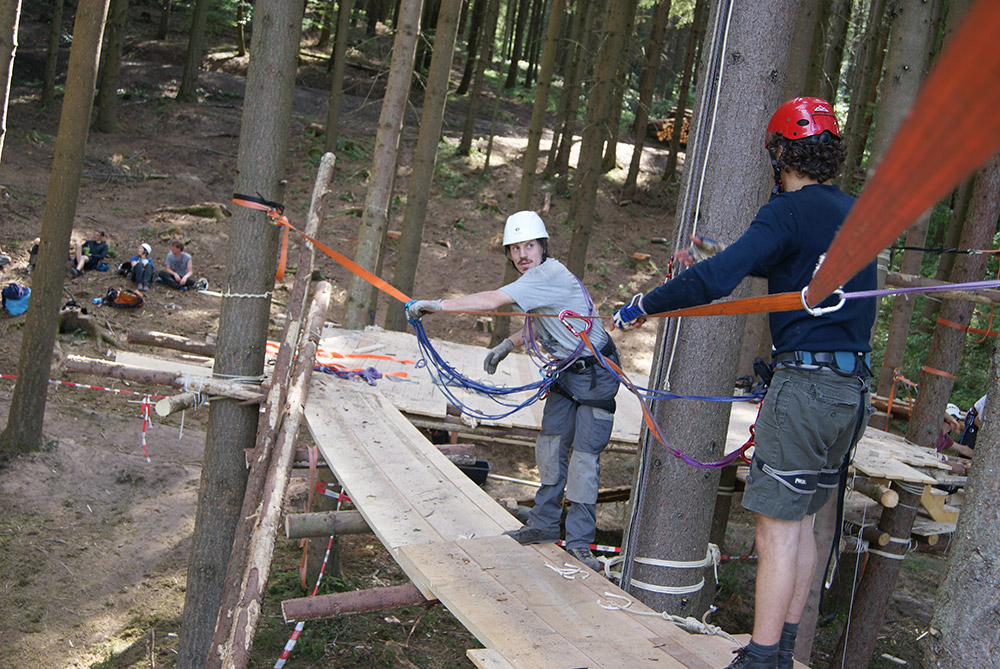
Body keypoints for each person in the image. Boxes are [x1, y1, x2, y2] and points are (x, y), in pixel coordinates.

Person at [613, 97, 876, 669]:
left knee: (775, 531)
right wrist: (725, 251)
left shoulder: (783, 211)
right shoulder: (856, 212)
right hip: (851, 393)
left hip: (806, 389)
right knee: (801, 520)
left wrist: (642, 306)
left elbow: (714, 281)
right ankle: (778, 649)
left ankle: (760, 659)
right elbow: (802, 265)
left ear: (779, 153)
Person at [406, 211, 620, 572]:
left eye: (530, 246)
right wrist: (509, 342)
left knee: (583, 461)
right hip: (567, 375)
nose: (523, 254)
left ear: (542, 247)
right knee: (551, 448)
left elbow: (491, 300)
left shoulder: (548, 274)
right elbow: (546, 324)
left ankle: (581, 545)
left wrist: (434, 305)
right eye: (515, 248)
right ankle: (543, 524)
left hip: (596, 373)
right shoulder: (536, 281)